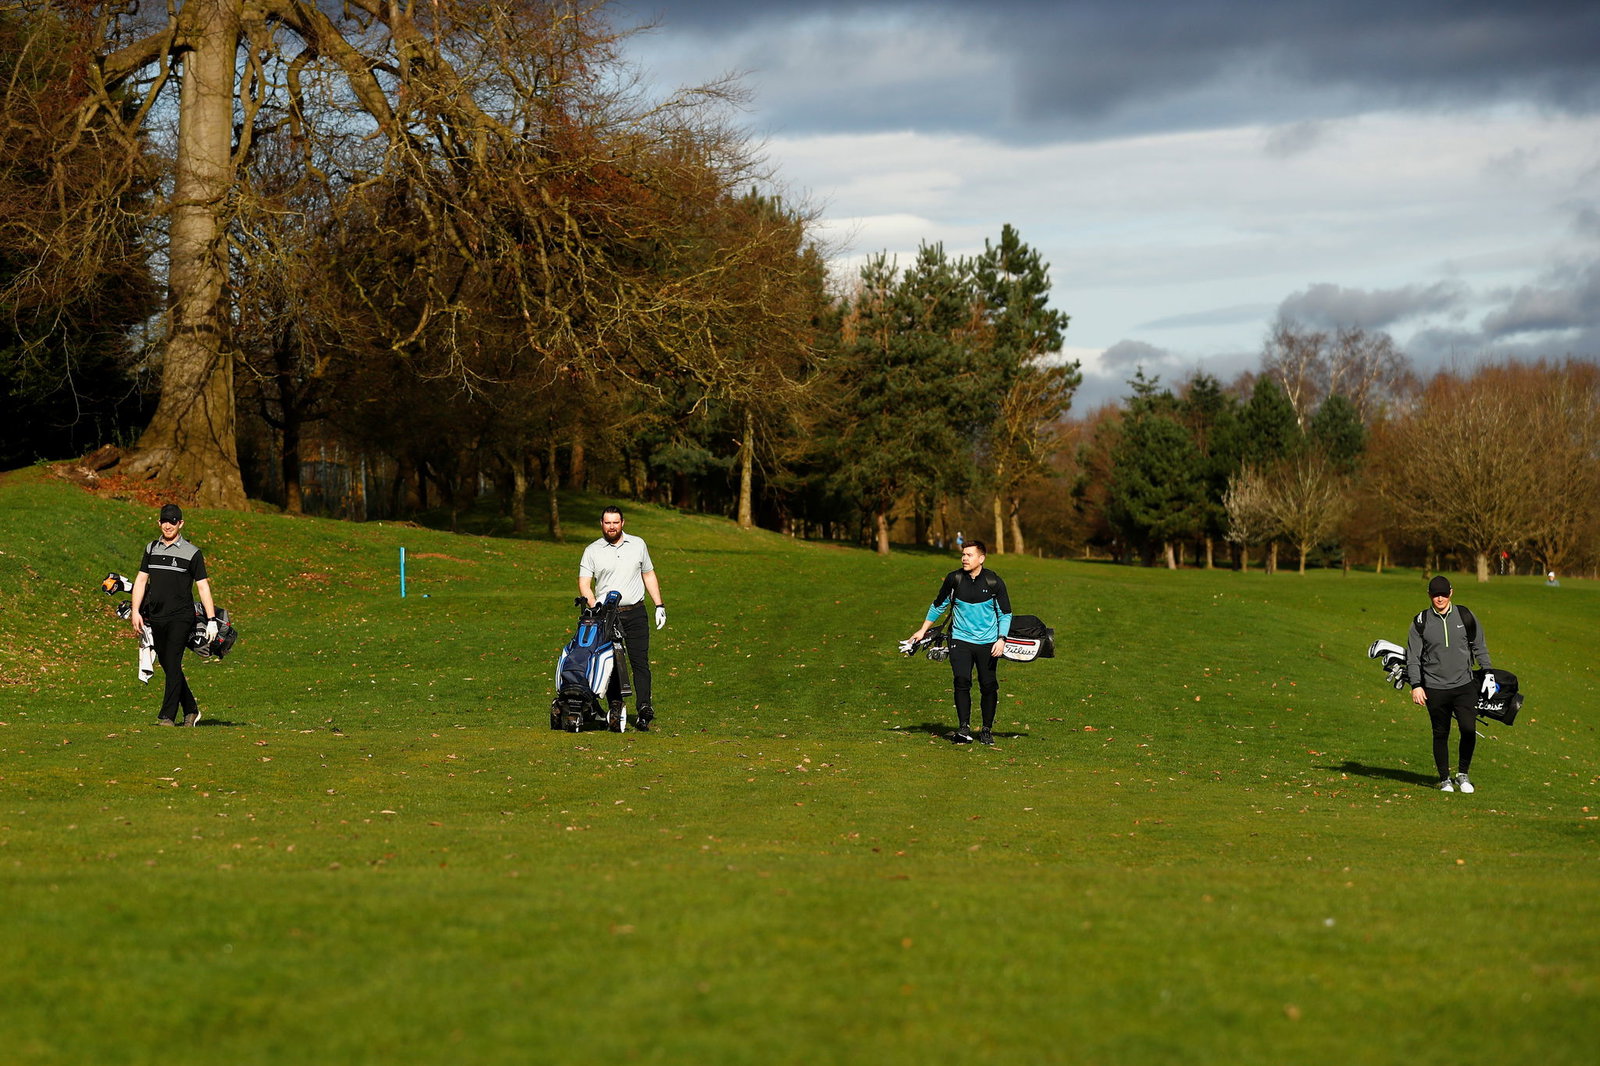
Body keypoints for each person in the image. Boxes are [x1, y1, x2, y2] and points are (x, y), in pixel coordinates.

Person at [907, 540, 1012, 746]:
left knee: (988, 685)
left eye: (969, 555)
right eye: (963, 554)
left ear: (981, 558)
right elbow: (938, 605)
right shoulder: (954, 579)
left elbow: (1005, 613)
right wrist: (923, 630)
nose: (964, 558)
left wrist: (1001, 639)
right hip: (960, 640)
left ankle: (986, 729)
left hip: (988, 643)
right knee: (961, 682)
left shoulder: (994, 582)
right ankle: (963, 728)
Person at [129, 503, 218, 727]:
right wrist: (136, 611)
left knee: (173, 661)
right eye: (164, 521)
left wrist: (211, 620)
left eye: (173, 521)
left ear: (181, 523)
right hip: (157, 616)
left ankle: (166, 716)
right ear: (159, 523)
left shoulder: (193, 553)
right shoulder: (151, 549)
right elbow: (141, 580)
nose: (168, 525)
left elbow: (203, 587)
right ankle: (191, 709)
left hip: (181, 616)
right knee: (170, 666)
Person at [578, 506, 666, 731]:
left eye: (615, 522)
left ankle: (644, 707)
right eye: (607, 523)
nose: (612, 527)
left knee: (640, 662)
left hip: (636, 612)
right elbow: (584, 583)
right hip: (607, 615)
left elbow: (648, 574)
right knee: (611, 664)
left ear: (622, 523)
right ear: (601, 524)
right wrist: (594, 607)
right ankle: (615, 708)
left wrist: (659, 605)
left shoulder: (638, 545)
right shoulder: (592, 550)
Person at [1406, 574, 1493, 793]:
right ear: (1429, 595)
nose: (1440, 598)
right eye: (1436, 594)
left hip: (1464, 685)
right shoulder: (1420, 621)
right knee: (1440, 733)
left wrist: (1489, 673)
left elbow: (1479, 646)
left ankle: (1463, 775)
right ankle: (1445, 778)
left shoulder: (1465, 615)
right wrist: (1416, 685)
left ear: (1451, 593)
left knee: (1468, 729)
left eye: (1444, 594)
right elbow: (1413, 657)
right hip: (1434, 688)